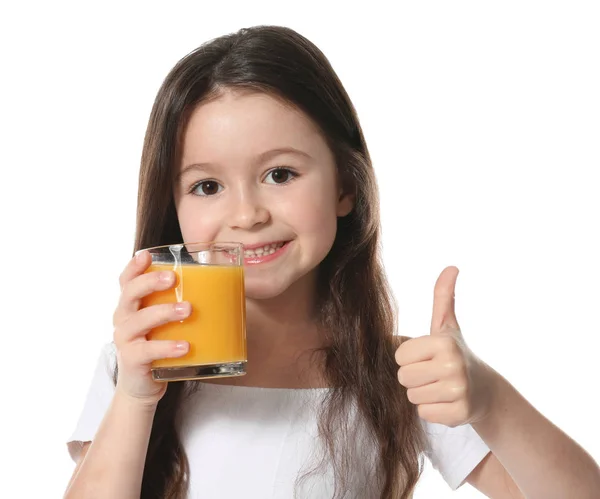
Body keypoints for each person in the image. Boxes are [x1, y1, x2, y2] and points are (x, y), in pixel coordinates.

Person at [64, 25, 600, 499]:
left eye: (280, 174)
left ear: (345, 185)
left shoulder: (399, 375)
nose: (247, 215)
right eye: (207, 185)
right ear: (172, 207)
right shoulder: (136, 368)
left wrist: (491, 402)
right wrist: (136, 398)